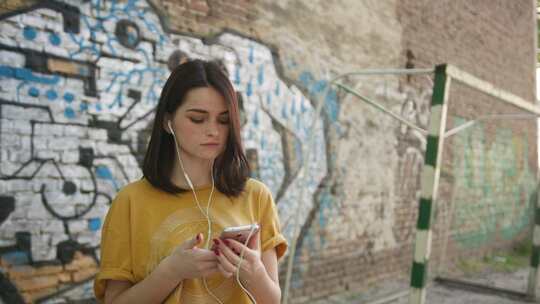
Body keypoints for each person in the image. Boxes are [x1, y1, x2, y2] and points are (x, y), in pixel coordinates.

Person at [94, 59, 288, 304]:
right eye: (198, 118)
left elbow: (272, 300)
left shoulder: (256, 195)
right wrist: (171, 272)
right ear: (168, 122)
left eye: (224, 120)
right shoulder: (131, 201)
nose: (213, 131)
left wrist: (254, 273)